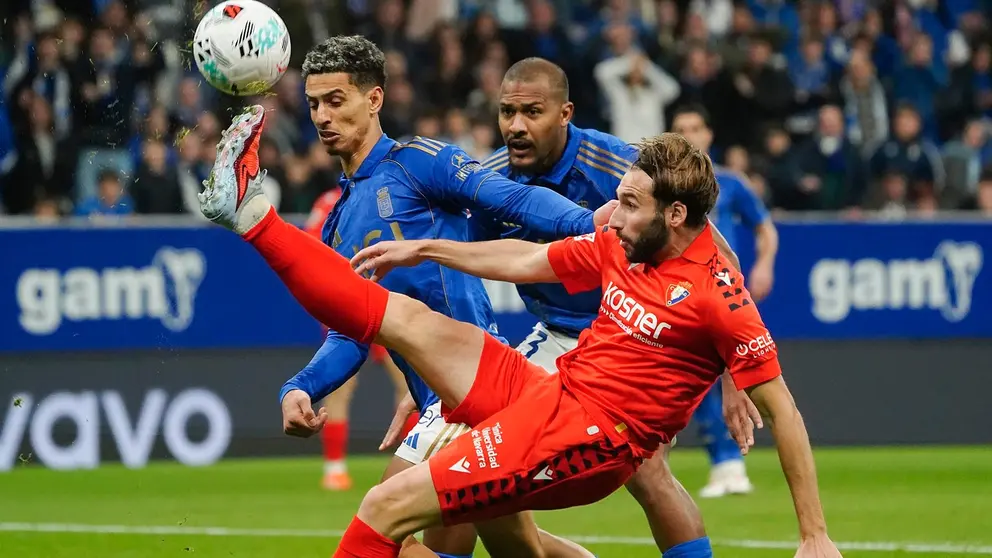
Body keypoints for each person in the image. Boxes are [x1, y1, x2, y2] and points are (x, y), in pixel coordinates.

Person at [199, 106, 841, 558]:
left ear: (675, 215)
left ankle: (253, 220)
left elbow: (782, 410)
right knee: (412, 320)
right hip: (551, 390)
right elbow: (528, 259)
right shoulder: (625, 243)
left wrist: (813, 535)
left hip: (587, 438)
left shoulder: (718, 297)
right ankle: (253, 212)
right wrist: (428, 249)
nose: (611, 215)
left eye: (631, 205)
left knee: (385, 508)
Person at [386, 56, 748, 557]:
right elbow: (470, 273)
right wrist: (445, 368)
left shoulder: (622, 167)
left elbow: (720, 259)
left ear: (565, 113)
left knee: (647, 476)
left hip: (631, 337)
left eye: (532, 112)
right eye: (506, 112)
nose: (516, 126)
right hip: (558, 334)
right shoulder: (489, 180)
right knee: (467, 453)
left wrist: (734, 376)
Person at [269, 36, 609, 557]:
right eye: (314, 103)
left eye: (336, 100)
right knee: (517, 548)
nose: (321, 116)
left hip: (469, 394)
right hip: (444, 403)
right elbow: (350, 332)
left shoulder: (418, 163)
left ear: (374, 100)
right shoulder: (336, 222)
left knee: (386, 525)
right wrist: (300, 387)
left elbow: (513, 197)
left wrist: (588, 225)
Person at [669, 103, 780, 498]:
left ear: (708, 134)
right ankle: (724, 462)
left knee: (735, 377)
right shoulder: (664, 186)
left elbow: (765, 227)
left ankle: (731, 461)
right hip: (679, 295)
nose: (690, 135)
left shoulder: (730, 183)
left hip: (723, 293)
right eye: (681, 128)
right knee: (696, 382)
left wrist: (765, 263)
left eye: (696, 127)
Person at [304, 188, 417, 491]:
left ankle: (410, 463)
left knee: (408, 383)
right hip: (348, 304)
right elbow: (311, 248)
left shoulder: (389, 193)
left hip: (387, 299)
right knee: (340, 385)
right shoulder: (330, 201)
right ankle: (335, 468)